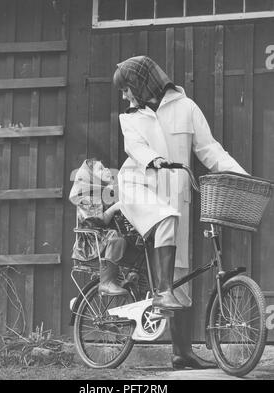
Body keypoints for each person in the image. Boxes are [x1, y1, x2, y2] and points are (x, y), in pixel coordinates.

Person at [113, 55, 248, 369]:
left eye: (126, 88)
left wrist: (240, 176)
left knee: (182, 275)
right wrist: (154, 159)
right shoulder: (131, 118)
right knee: (164, 241)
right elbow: (136, 149)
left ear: (141, 83)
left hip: (177, 198)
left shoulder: (186, 109)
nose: (124, 96)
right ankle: (157, 293)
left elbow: (209, 149)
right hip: (140, 189)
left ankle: (181, 352)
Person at [69, 158, 128, 296]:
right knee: (116, 239)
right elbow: (99, 220)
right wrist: (114, 208)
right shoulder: (86, 195)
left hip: (104, 234)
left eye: (105, 167)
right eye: (101, 169)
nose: (107, 170)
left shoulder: (108, 191)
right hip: (92, 240)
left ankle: (132, 279)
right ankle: (106, 282)